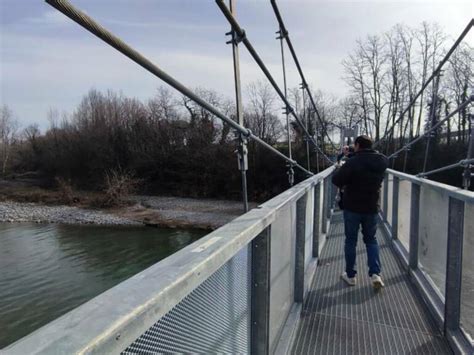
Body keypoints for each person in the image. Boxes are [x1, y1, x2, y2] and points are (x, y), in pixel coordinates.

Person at [331, 135, 388, 289]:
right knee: (371, 240)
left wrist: (344, 172)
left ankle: (351, 276)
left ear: (357, 145)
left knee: (351, 241)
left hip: (352, 207)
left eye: (354, 146)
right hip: (371, 207)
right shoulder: (382, 161)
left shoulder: (352, 162)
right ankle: (375, 273)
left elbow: (336, 180)